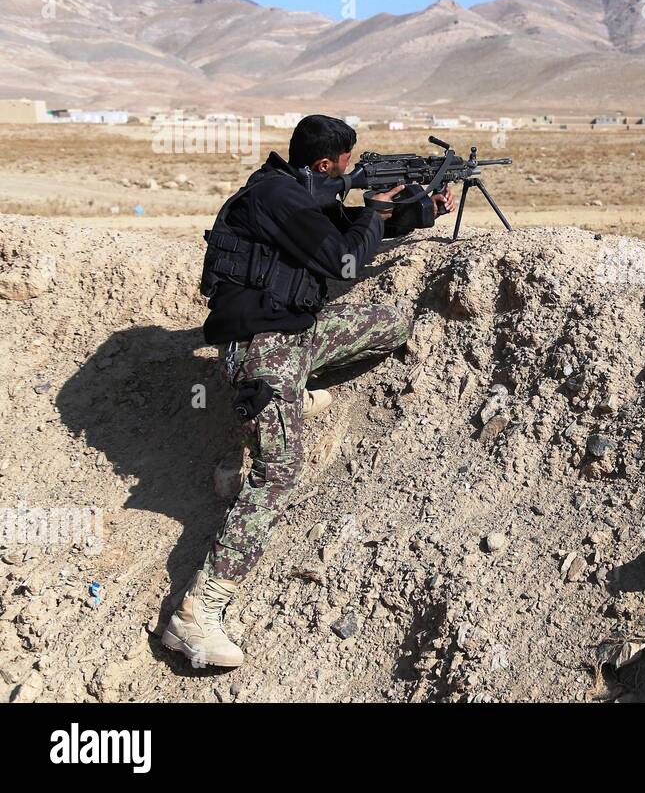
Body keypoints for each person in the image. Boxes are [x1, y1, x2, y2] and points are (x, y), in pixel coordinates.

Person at [161, 114, 455, 668]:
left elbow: (339, 228)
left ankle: (294, 391)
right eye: (346, 167)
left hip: (292, 334)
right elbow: (340, 256)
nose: (348, 175)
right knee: (280, 470)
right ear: (325, 165)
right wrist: (370, 213)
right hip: (260, 350)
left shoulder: (292, 195)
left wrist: (414, 211)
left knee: (389, 322)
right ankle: (195, 613)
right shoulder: (274, 197)